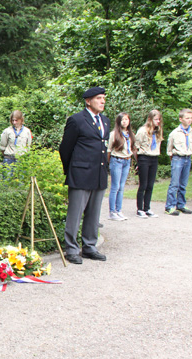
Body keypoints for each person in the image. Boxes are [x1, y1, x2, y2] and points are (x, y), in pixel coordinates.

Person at [58, 87, 110, 264]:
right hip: (80, 173)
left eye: (103, 98)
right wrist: (71, 169)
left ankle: (89, 246)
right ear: (88, 101)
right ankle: (71, 249)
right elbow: (65, 148)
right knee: (76, 213)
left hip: (98, 173)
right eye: (98, 98)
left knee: (94, 214)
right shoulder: (77, 120)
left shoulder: (105, 120)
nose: (102, 101)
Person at [164, 109, 192, 215]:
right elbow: (169, 149)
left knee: (183, 183)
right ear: (181, 119)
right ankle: (170, 206)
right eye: (187, 118)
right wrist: (173, 157)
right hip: (178, 158)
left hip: (188, 157)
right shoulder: (175, 133)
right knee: (175, 183)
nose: (189, 120)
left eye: (191, 118)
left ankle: (181, 204)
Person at [134, 110, 163, 218]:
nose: (158, 121)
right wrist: (138, 161)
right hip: (144, 157)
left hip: (154, 157)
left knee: (150, 185)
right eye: (156, 119)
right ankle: (140, 209)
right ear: (150, 119)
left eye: (159, 119)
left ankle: (147, 207)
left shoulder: (158, 131)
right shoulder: (142, 131)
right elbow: (135, 147)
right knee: (143, 184)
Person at [107, 112, 135, 221]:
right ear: (119, 122)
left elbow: (132, 148)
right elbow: (109, 150)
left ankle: (119, 210)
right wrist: (109, 163)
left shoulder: (130, 134)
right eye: (122, 120)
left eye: (127, 120)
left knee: (122, 187)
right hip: (116, 160)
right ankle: (112, 211)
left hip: (126, 161)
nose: (125, 122)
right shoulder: (113, 134)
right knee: (115, 186)